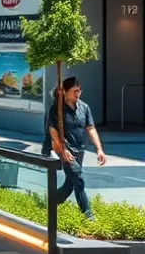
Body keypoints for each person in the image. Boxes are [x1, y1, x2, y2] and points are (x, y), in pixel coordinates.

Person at [45, 76, 106, 221]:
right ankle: (88, 215)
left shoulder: (84, 108)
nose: (77, 94)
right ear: (65, 92)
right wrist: (62, 148)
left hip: (80, 149)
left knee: (69, 184)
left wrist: (99, 149)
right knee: (78, 179)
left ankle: (51, 202)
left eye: (79, 91)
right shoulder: (57, 109)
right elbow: (52, 130)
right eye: (74, 91)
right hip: (65, 150)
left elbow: (90, 128)